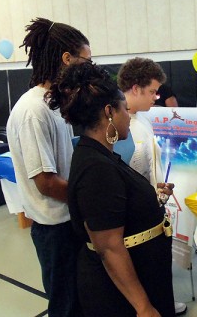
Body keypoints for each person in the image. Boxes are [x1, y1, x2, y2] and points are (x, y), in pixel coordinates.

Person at [47, 62, 175, 316]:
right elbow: (108, 247)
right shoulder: (95, 167)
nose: (129, 116)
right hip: (120, 297)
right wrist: (143, 306)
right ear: (109, 112)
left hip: (145, 272)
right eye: (124, 110)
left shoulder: (103, 156)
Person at [6, 17, 91, 316]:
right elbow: (46, 182)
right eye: (86, 60)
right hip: (55, 229)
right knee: (65, 305)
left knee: (80, 300)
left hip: (68, 222)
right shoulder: (33, 111)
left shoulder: (54, 104)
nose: (88, 68)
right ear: (67, 59)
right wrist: (91, 199)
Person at [117, 57, 187, 316]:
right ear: (135, 88)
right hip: (135, 216)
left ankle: (162, 302)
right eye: (151, 91)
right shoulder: (118, 127)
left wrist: (158, 187)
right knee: (141, 268)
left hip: (153, 206)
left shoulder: (143, 119)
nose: (156, 97)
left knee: (157, 268)